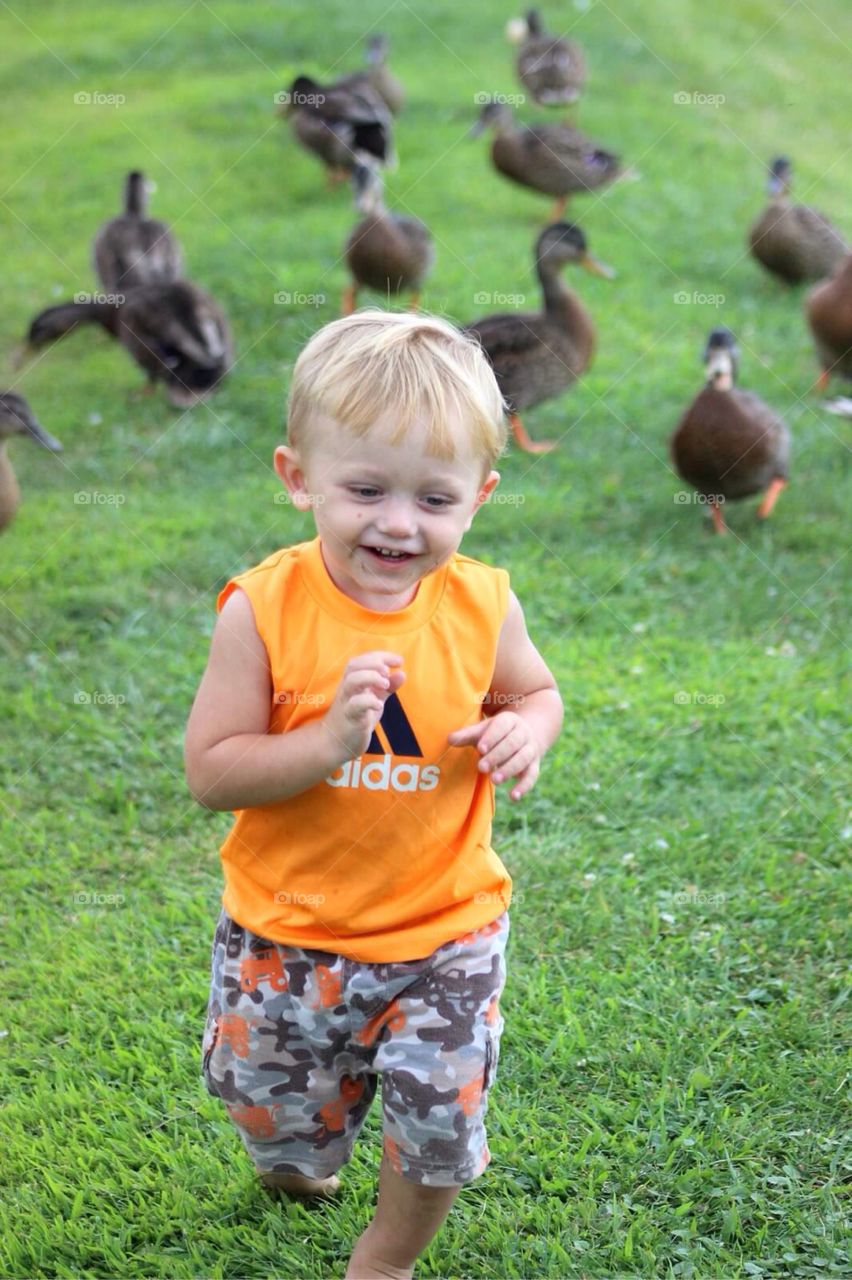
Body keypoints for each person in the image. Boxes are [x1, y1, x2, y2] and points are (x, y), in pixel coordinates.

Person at [184, 309, 563, 1279]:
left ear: (479, 496)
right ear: (298, 476)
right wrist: (323, 742)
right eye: (365, 489)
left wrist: (526, 727)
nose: (399, 523)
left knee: (439, 1117)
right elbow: (211, 771)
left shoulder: (481, 603)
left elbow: (535, 691)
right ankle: (296, 1155)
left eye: (434, 498)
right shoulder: (264, 611)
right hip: (286, 933)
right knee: (277, 1120)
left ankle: (386, 1258)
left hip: (444, 929)